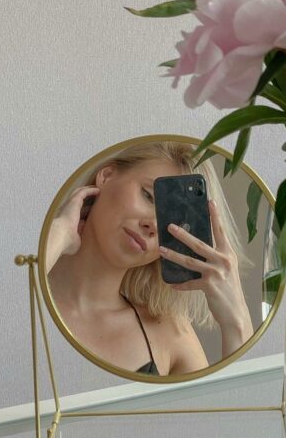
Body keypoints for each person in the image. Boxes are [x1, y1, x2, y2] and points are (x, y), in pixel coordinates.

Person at [45, 141, 254, 376]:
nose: (153, 225)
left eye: (170, 221)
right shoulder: (17, 297)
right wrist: (58, 233)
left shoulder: (169, 333)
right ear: (107, 176)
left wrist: (236, 320)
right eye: (148, 196)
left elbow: (232, 410)